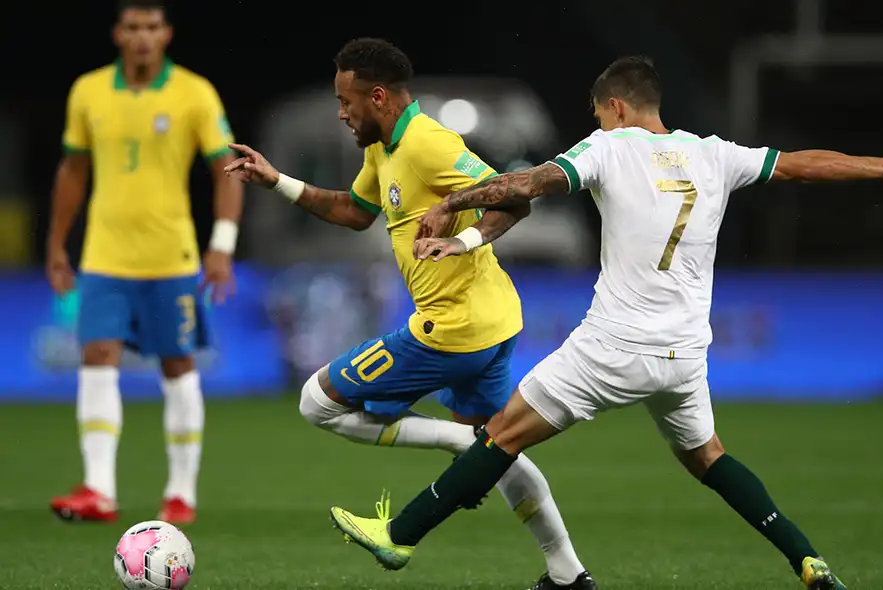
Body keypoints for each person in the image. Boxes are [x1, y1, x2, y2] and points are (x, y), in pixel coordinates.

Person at [329, 55, 883, 589]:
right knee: (709, 457)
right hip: (683, 355)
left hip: (613, 346)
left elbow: (529, 183)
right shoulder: (714, 155)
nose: (597, 123)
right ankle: (806, 557)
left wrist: (453, 202)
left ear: (617, 108)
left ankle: (401, 535)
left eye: (599, 113)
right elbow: (800, 163)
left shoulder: (607, 147)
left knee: (499, 435)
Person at [225, 37, 595, 590]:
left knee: (317, 403)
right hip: (492, 323)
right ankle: (568, 572)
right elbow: (354, 212)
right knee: (501, 450)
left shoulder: (428, 144)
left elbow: (514, 197)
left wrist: (463, 240)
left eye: (347, 102)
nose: (341, 113)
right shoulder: (383, 149)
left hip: (452, 330)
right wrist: (278, 180)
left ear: (378, 97)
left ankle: (456, 444)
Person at [47, 0, 243, 525]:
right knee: (97, 358)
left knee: (177, 366)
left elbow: (227, 167)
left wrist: (221, 244)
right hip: (105, 256)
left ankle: (181, 493)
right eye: (132, 27)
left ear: (166, 34)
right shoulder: (87, 91)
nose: (141, 37)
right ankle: (98, 489)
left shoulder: (193, 92)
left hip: (170, 257)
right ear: (117, 33)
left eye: (151, 27)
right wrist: (55, 244)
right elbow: (72, 170)